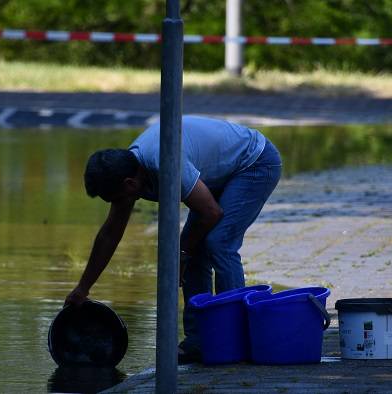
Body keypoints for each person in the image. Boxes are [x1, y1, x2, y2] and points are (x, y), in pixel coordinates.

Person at [64, 115, 281, 363]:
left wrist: (181, 253)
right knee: (194, 250)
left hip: (254, 162)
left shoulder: (164, 163)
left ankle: (237, 339)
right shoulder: (128, 173)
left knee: (218, 243)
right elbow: (109, 234)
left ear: (130, 184)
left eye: (115, 199)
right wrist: (83, 287)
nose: (116, 205)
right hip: (219, 171)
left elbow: (211, 213)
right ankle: (199, 342)